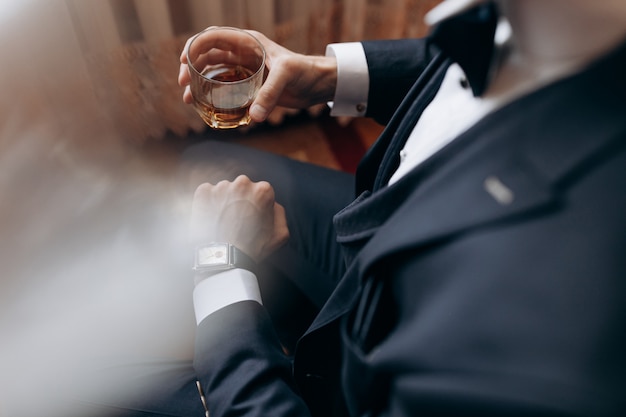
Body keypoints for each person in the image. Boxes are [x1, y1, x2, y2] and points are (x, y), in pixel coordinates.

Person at [88, 0, 626, 415]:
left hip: (368, 364)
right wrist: (322, 76)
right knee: (205, 163)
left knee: (100, 385)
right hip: (387, 226)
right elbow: (494, 70)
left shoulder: (557, 350)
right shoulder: (576, 25)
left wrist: (220, 267)